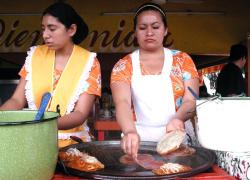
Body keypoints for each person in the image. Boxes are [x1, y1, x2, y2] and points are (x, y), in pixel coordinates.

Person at [0, 2, 101, 148]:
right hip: (33, 140)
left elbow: (80, 113)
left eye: (52, 29)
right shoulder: (34, 55)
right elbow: (16, 100)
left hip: (72, 143)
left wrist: (44, 125)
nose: (45, 35)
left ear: (71, 29)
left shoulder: (89, 61)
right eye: (43, 29)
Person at [110, 2, 199, 159]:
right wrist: (129, 131)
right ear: (135, 32)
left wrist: (178, 118)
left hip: (177, 141)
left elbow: (191, 100)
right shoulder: (123, 65)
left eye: (155, 27)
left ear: (165, 30)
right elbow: (122, 102)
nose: (149, 32)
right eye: (143, 28)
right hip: (137, 143)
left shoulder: (183, 61)